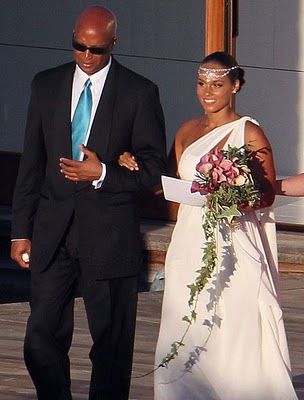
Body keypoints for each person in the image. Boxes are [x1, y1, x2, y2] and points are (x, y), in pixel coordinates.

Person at [119, 52, 298, 399]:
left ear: (235, 86)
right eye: (202, 84)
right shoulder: (188, 129)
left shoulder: (248, 131)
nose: (208, 92)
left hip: (233, 237)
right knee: (187, 314)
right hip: (189, 238)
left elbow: (265, 194)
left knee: (232, 321)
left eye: (217, 85)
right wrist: (135, 167)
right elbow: (164, 183)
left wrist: (225, 196)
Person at [10, 5, 166, 400]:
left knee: (112, 344)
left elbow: (151, 171)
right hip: (53, 232)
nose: (85, 55)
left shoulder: (139, 91)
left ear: (113, 44)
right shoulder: (45, 85)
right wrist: (20, 232)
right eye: (78, 46)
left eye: (95, 49)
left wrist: (103, 173)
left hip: (109, 236)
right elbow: (31, 164)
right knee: (41, 335)